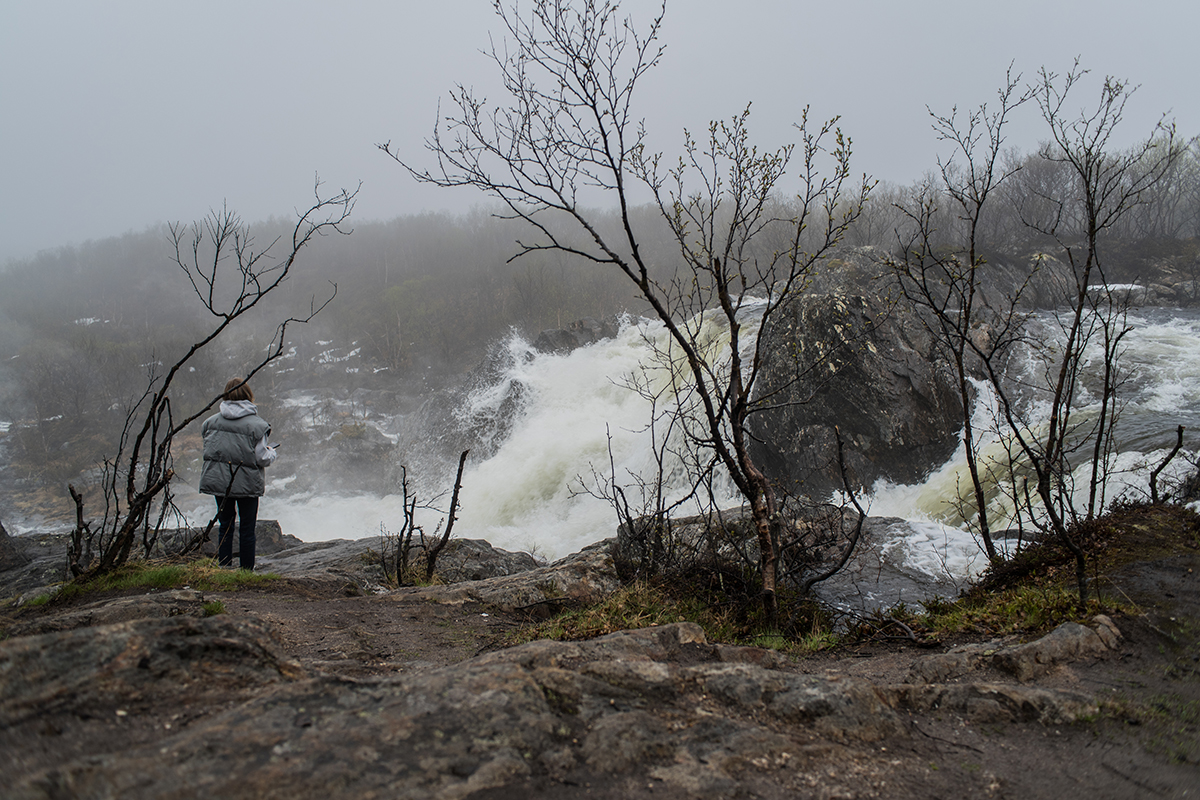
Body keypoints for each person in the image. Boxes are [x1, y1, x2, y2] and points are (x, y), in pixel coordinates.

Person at [198, 378, 277, 570]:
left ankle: (224, 568)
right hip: (247, 484)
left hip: (220, 482)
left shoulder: (209, 423)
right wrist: (272, 452)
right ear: (249, 396)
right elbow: (262, 458)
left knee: (225, 526)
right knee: (247, 529)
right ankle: (246, 572)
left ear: (225, 395)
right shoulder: (257, 426)